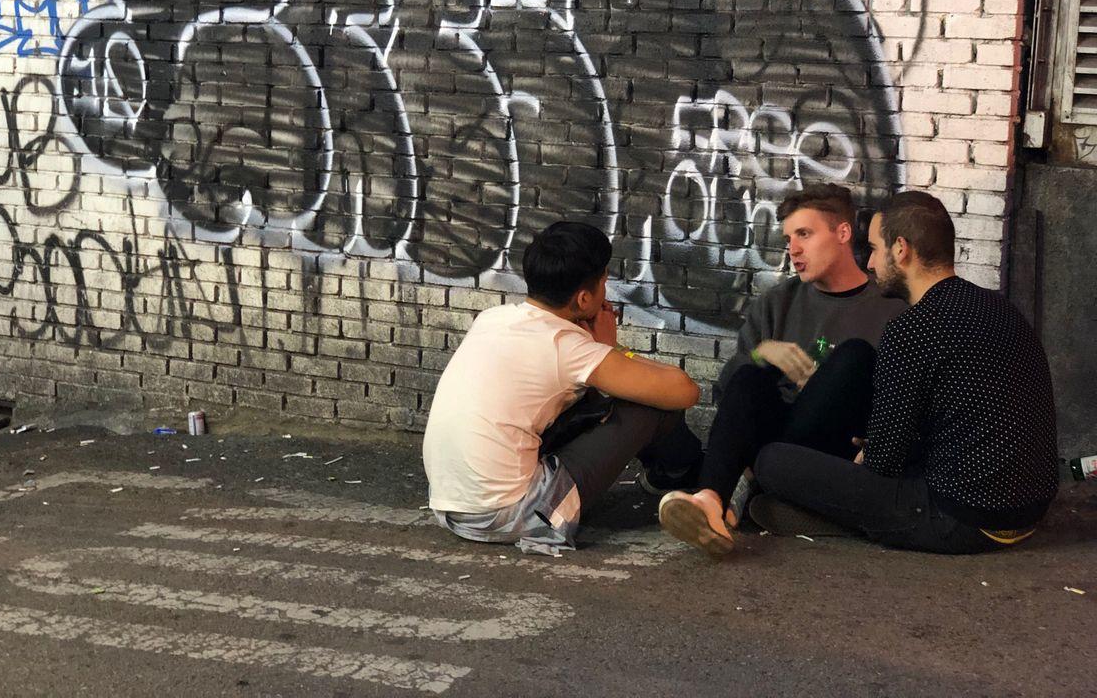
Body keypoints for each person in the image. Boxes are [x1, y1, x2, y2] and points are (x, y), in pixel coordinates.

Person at [749, 191, 1058, 553]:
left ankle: (843, 519)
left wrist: (875, 449)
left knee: (772, 460)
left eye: (874, 249)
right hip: (1029, 512)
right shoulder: (998, 306)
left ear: (900, 249)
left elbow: (883, 464)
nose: (870, 264)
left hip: (961, 519)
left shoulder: (912, 328)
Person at [657, 183, 906, 557]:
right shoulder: (779, 302)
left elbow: (905, 401)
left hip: (835, 452)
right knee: (749, 374)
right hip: (774, 442)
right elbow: (729, 395)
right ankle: (710, 501)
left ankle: (756, 492)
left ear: (842, 233)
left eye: (804, 234)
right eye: (789, 238)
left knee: (854, 356)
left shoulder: (891, 310)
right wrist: (761, 354)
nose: (794, 249)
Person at [422, 221, 701, 553]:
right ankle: (685, 477)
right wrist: (610, 348)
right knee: (650, 406)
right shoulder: (566, 346)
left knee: (593, 399)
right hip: (511, 515)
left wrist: (598, 350)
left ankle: (682, 475)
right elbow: (684, 390)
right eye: (604, 283)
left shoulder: (492, 318)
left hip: (450, 507)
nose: (606, 292)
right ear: (583, 299)